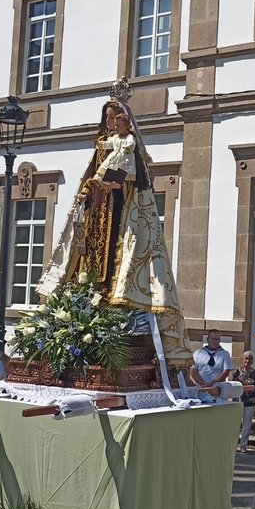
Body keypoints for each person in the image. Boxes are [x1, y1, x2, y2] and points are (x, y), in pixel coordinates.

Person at [38, 99, 193, 367]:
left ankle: (116, 305)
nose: (110, 123)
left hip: (118, 212)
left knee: (116, 260)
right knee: (87, 256)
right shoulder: (102, 145)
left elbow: (133, 178)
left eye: (114, 118)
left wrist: (114, 184)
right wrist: (86, 191)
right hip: (97, 212)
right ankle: (89, 297)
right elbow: (91, 175)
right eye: (107, 118)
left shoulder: (129, 145)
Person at [190, 329, 234, 396]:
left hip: (217, 390)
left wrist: (211, 384)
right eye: (213, 339)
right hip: (200, 389)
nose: (215, 341)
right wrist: (203, 384)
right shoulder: (198, 353)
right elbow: (193, 370)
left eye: (217, 339)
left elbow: (226, 372)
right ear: (208, 339)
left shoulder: (225, 354)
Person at [233, 351, 255, 452]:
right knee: (236, 423)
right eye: (246, 358)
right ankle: (234, 444)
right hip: (238, 399)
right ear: (242, 359)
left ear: (252, 361)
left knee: (247, 423)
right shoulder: (237, 371)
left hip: (250, 400)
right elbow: (233, 384)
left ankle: (243, 445)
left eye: (250, 359)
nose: (247, 361)